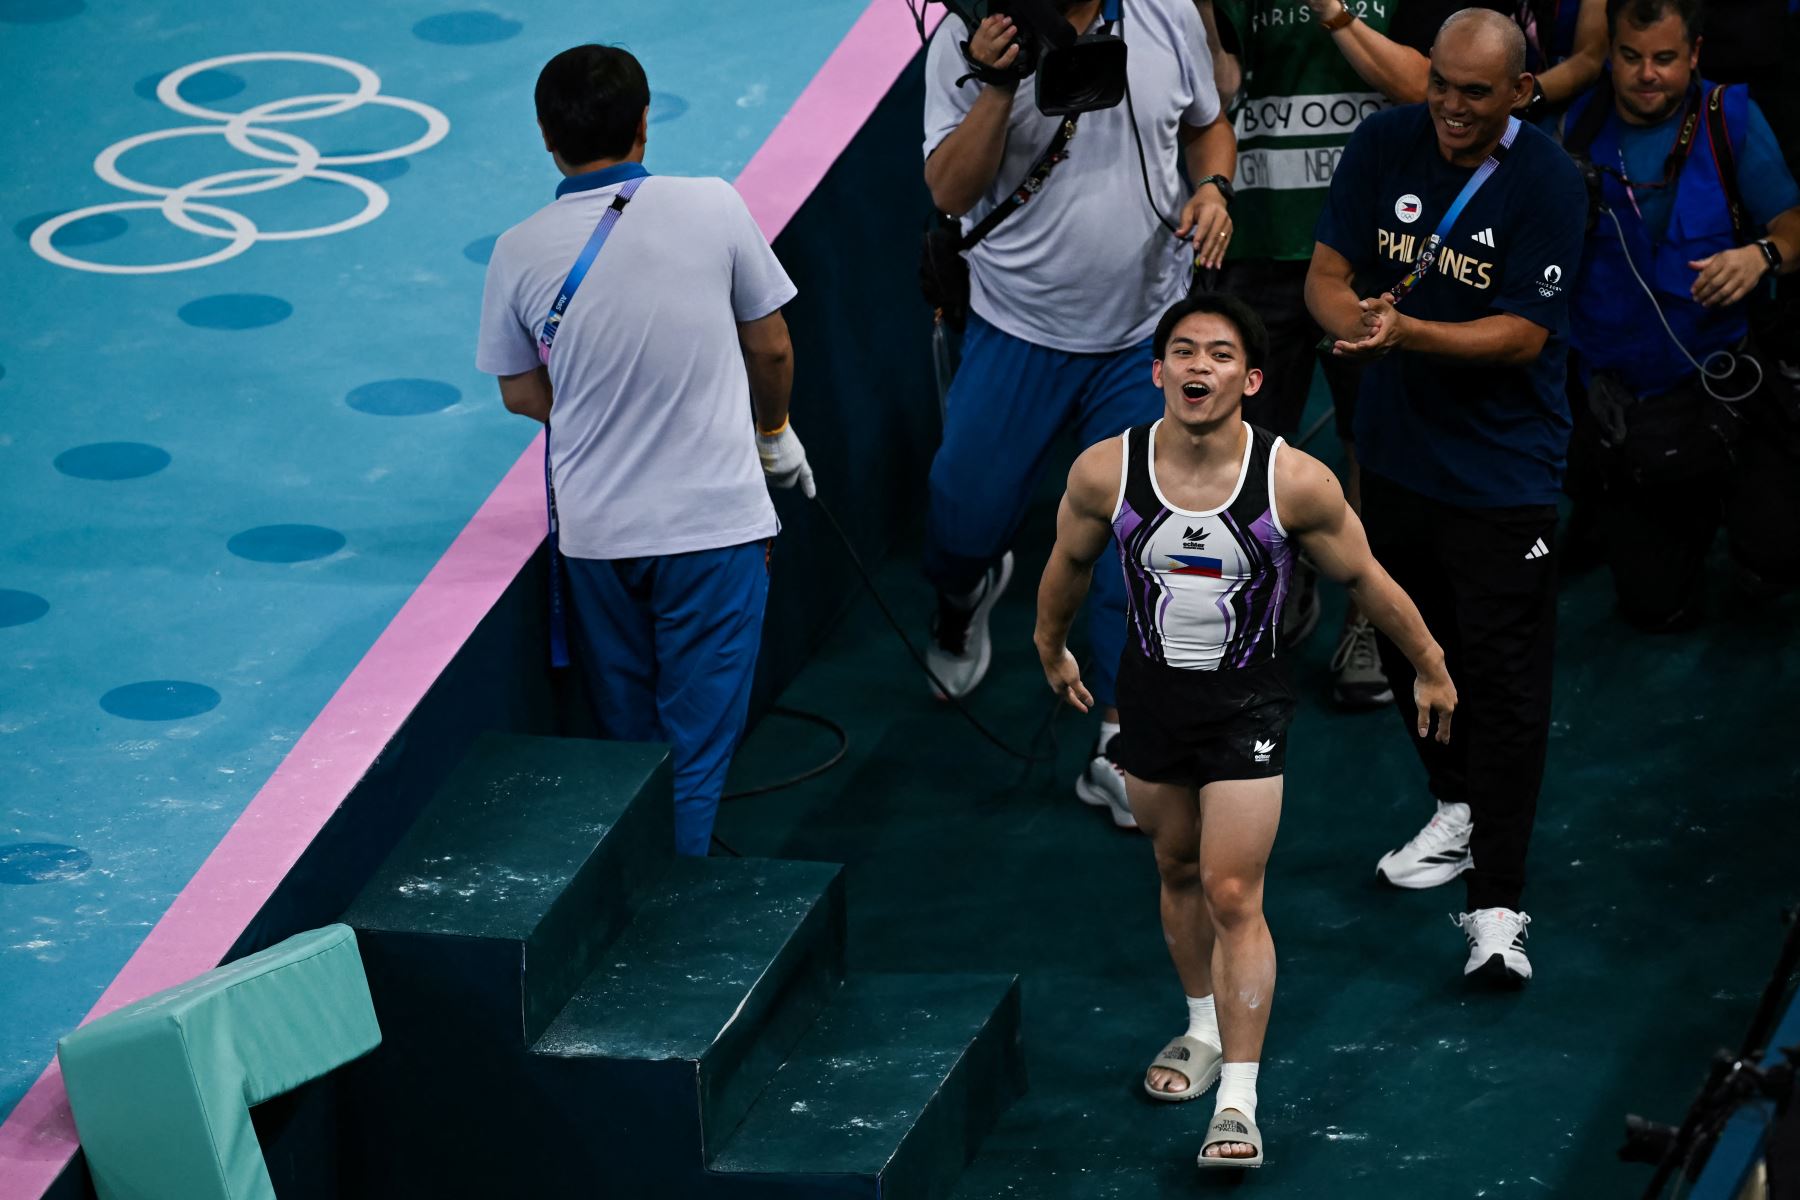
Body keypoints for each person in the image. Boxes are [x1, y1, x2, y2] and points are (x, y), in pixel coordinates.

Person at [1033, 293, 1456, 1168]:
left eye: (1220, 355)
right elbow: (1069, 564)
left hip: (1247, 708)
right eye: (1182, 352)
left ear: (1252, 380)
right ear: (1157, 372)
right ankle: (1199, 1028)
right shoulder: (1104, 472)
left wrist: (1429, 661)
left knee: (1233, 892)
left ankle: (1239, 1100)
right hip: (1148, 699)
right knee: (1176, 866)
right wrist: (1049, 647)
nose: (1198, 367)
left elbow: (1368, 580)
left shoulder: (1293, 480)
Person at [1305, 9, 1587, 984]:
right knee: (1407, 649)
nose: (1453, 109)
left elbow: (1522, 335)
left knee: (1504, 684)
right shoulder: (1385, 142)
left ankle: (1498, 909)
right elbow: (1328, 276)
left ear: (1519, 92)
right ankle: (1458, 807)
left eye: (1477, 93)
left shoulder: (1551, 179)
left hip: (1503, 477)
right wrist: (1358, 325)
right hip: (1393, 462)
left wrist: (1406, 334)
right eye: (1442, 86)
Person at [476, 44, 814, 855]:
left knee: (632, 754)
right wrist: (774, 434)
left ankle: (636, 903)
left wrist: (604, 408)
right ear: (643, 124)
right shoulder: (712, 205)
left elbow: (522, 393)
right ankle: (668, 923)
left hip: (598, 540)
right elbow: (769, 348)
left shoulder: (517, 249)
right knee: (694, 756)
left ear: (544, 137)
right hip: (712, 530)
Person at [921, 0, 1237, 832]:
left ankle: (1118, 738)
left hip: (1142, 336)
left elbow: (1208, 130)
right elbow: (949, 189)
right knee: (962, 513)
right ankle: (966, 592)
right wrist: (995, 87)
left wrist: (1213, 187)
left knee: (1134, 542)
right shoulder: (965, 40)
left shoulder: (1166, 15)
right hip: (1017, 329)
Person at [1560, 0, 1800, 629]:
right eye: (1630, 57)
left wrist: (1762, 256)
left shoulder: (1729, 119)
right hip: (1626, 404)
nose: (1646, 74)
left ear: (1694, 55)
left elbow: (1793, 227)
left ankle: (1746, 513)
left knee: (1779, 564)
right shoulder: (1572, 132)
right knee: (1654, 607)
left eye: (1665, 59)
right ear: (1607, 54)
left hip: (1728, 387)